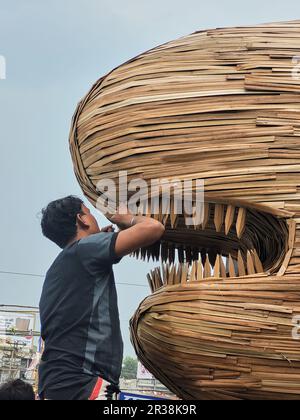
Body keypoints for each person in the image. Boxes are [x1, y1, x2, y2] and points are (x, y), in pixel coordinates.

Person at [38, 196, 165, 400]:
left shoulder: (59, 267)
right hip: (81, 381)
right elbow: (154, 228)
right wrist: (127, 220)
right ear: (82, 219)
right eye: (89, 212)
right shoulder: (86, 249)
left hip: (56, 383)